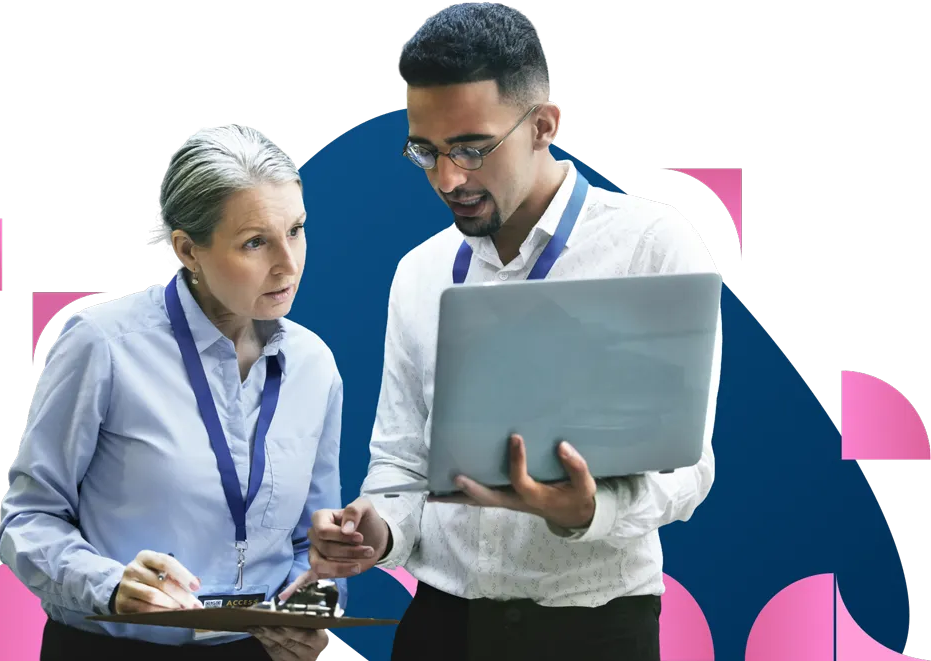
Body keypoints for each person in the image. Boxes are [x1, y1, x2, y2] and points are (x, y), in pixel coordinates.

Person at [280, 5, 724, 661]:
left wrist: (588, 509)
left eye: (470, 148)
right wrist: (375, 530)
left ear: (546, 124)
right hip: (440, 627)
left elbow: (690, 467)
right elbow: (401, 464)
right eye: (425, 151)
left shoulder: (654, 246)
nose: (447, 179)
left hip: (595, 628)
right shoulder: (419, 272)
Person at [0, 123, 344, 661]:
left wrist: (313, 612)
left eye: (296, 230)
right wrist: (108, 586)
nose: (289, 263)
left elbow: (316, 542)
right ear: (188, 250)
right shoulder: (103, 344)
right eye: (256, 242)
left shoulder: (315, 365)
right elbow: (26, 517)